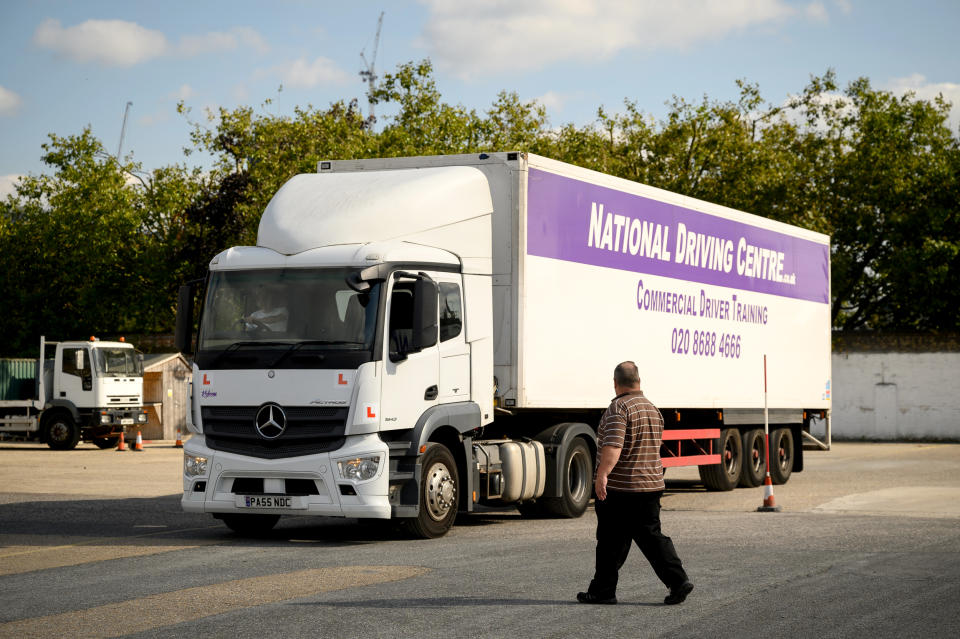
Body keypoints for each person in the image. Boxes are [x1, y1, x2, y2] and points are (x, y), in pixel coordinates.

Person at [577, 361, 694, 606]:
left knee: (609, 540)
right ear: (639, 381)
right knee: (650, 537)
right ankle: (677, 580)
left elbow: (613, 445)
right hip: (651, 486)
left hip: (623, 488)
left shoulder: (619, 408)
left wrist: (602, 475)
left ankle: (603, 591)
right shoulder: (652, 408)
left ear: (615, 383)